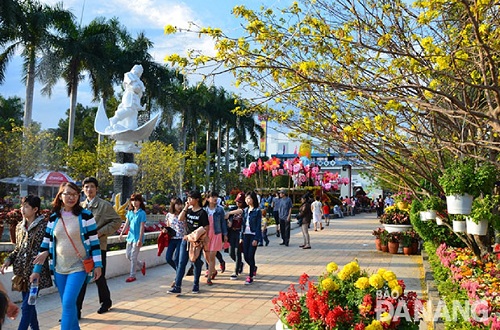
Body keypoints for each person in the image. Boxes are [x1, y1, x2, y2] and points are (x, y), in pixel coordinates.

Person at [30, 182, 102, 330]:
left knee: (69, 303)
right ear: (60, 196)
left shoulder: (86, 215)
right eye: (68, 194)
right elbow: (45, 243)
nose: (71, 197)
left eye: (75, 194)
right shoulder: (54, 217)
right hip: (58, 268)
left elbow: (95, 243)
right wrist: (36, 270)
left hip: (79, 266)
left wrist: (98, 265)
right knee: (67, 305)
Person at [1, 195, 52, 330]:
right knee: (30, 305)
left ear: (35, 209)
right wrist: (8, 260)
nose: (22, 209)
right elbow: (18, 249)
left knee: (26, 306)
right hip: (22, 275)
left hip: (36, 273)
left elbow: (49, 248)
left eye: (26, 206)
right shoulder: (19, 226)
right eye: (22, 206)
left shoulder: (44, 226)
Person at [77, 177, 122, 316]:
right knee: (81, 278)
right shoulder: (79, 207)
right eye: (86, 187)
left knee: (99, 277)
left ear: (96, 189)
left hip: (98, 247)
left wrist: (101, 232)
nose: (89, 189)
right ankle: (76, 310)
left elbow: (117, 221)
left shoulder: (104, 205)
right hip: (82, 248)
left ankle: (105, 302)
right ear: (83, 190)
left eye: (92, 186)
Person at [168, 191, 209, 295]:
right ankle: (177, 286)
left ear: (197, 199)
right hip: (185, 240)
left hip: (196, 242)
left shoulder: (202, 213)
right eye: (188, 198)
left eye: (191, 198)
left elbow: (206, 228)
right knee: (181, 263)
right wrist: (186, 207)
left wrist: (196, 235)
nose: (189, 200)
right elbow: (180, 218)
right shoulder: (189, 210)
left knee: (195, 262)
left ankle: (196, 285)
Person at [119, 193, 147, 283]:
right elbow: (127, 223)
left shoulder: (142, 213)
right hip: (130, 237)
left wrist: (140, 239)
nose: (134, 202)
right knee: (128, 255)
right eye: (133, 200)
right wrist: (121, 233)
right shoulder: (130, 212)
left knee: (133, 256)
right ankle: (141, 264)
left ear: (140, 202)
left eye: (136, 200)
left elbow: (142, 227)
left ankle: (132, 275)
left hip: (137, 237)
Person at [203, 191, 227, 285]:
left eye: (216, 197)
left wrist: (225, 234)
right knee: (206, 256)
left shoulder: (220, 209)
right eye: (213, 197)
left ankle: (209, 278)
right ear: (208, 199)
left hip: (216, 234)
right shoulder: (204, 210)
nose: (215, 199)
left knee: (212, 255)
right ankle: (213, 270)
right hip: (206, 235)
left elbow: (223, 223)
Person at [241, 191, 262, 285]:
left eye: (249, 198)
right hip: (246, 235)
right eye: (246, 198)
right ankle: (253, 267)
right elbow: (242, 225)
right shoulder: (245, 210)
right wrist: (241, 236)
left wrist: (256, 239)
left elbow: (258, 226)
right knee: (245, 256)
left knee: (250, 255)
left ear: (253, 199)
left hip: (253, 235)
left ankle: (250, 276)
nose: (247, 200)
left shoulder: (257, 211)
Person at [164, 198, 186, 287]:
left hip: (181, 238)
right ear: (173, 205)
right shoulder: (169, 215)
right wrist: (165, 230)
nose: (179, 206)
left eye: (180, 204)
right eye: (177, 204)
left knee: (177, 258)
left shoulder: (184, 214)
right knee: (168, 258)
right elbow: (167, 225)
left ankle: (177, 278)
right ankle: (179, 272)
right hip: (172, 238)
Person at [225, 192, 245, 280]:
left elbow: (241, 211)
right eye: (237, 201)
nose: (238, 203)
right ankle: (240, 264)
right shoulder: (233, 209)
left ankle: (236, 271)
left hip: (240, 232)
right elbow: (227, 216)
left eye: (240, 202)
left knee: (238, 252)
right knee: (231, 252)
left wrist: (229, 213)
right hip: (232, 233)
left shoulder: (245, 210)